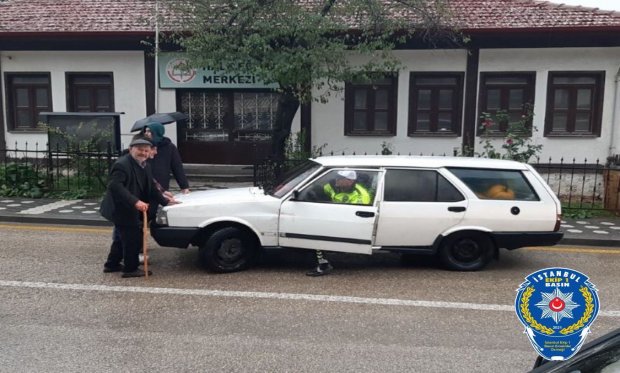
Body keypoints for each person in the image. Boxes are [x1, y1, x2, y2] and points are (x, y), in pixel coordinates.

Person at [100, 137, 177, 278]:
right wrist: (135, 202)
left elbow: (152, 187)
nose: (143, 153)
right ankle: (130, 269)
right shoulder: (122, 164)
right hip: (121, 207)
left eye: (146, 150)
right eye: (140, 149)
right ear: (131, 149)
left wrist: (165, 201)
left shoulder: (145, 165)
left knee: (120, 237)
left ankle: (111, 265)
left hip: (132, 207)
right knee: (132, 238)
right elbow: (115, 186)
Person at [306, 170, 371, 276]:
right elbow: (320, 192)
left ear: (350, 181)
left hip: (348, 223)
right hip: (332, 216)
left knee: (317, 233)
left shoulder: (361, 195)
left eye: (340, 178)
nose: (337, 179)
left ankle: (324, 265)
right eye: (337, 177)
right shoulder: (331, 186)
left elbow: (354, 216)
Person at [142, 122, 190, 194]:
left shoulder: (169, 147)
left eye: (149, 131)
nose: (146, 133)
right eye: (145, 131)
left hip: (162, 184)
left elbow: (177, 167)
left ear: (156, 132)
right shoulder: (142, 146)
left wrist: (184, 186)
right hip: (144, 184)